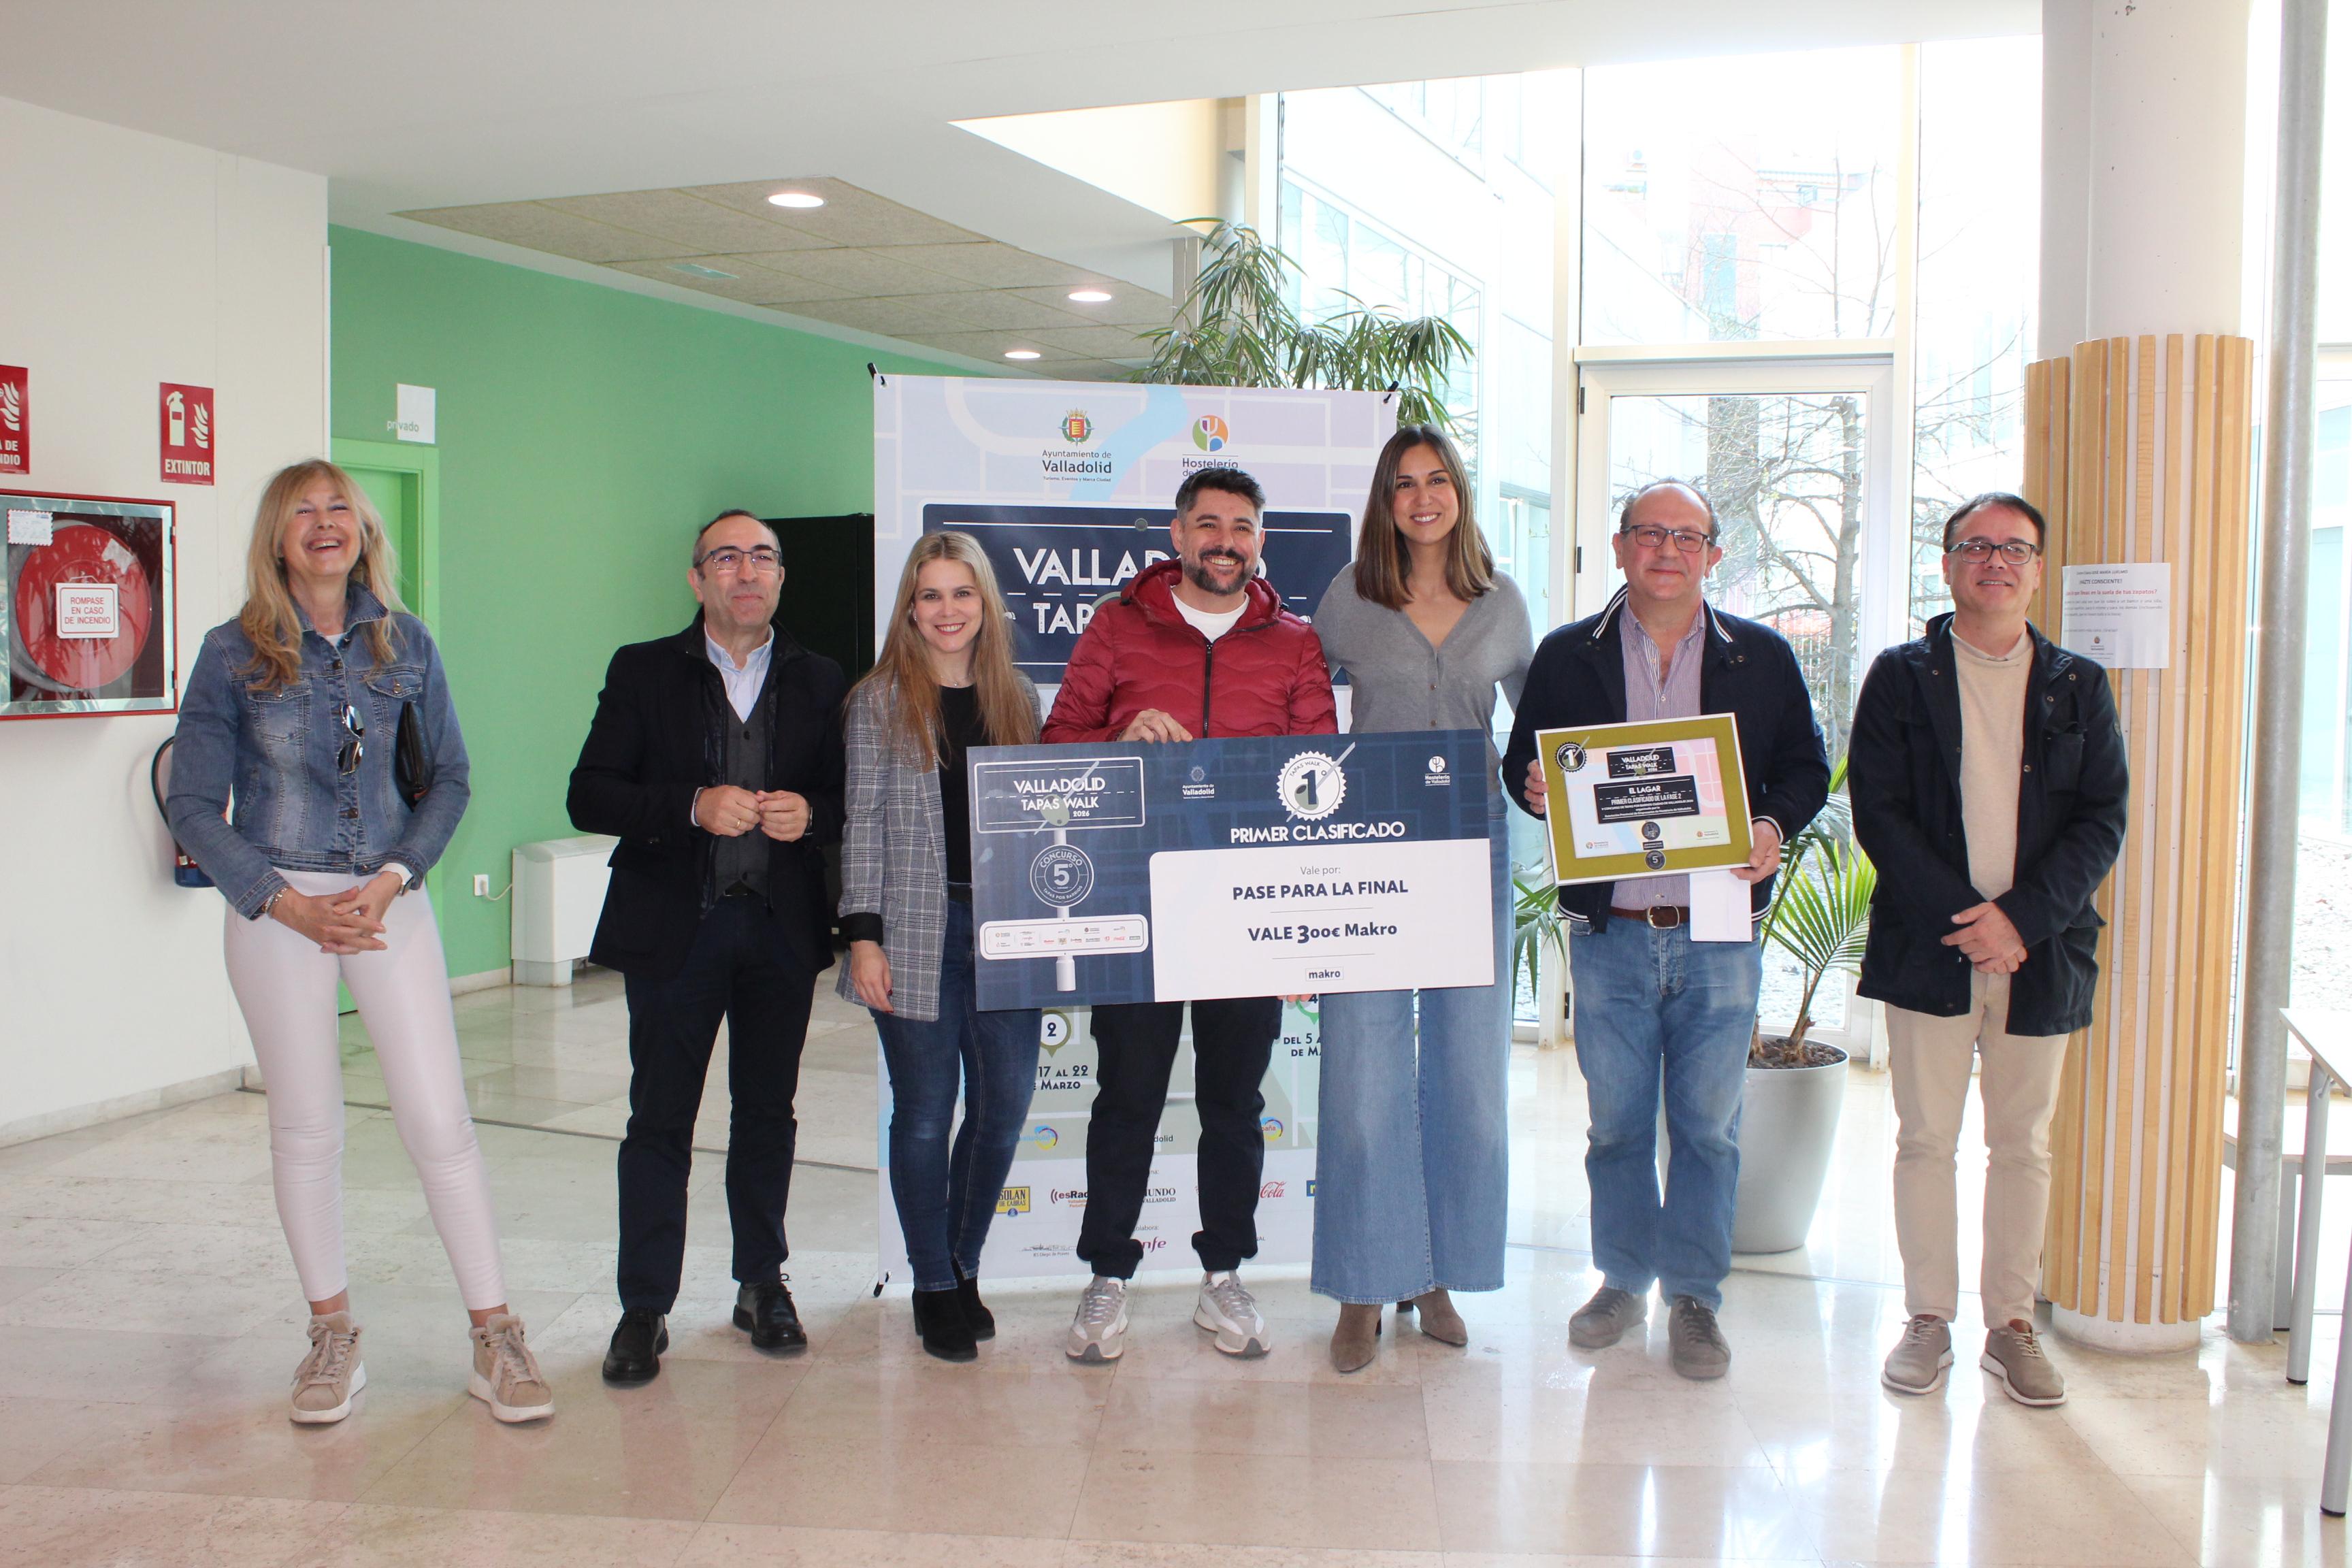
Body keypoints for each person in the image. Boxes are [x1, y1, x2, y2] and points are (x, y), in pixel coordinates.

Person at [167, 460, 552, 1426]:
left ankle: (495, 1336)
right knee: (305, 1127)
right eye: (302, 511)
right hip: (276, 911)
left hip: (388, 901)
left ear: (364, 530)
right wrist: (285, 903)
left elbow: (450, 778)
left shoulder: (405, 643)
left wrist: (392, 879)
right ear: (277, 538)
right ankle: (332, 1335)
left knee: (439, 1121)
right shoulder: (230, 653)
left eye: (339, 506)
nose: (324, 522)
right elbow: (191, 803)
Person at [1502, 479, 1829, 1380]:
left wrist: (1771, 825)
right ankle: (1621, 1279)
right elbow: (1524, 762)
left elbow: (1807, 766)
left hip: (1718, 927)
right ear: (1620, 548)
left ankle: (1693, 1296)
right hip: (1611, 930)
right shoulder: (1569, 654)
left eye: (1688, 537)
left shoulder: (1760, 655)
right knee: (1614, 1124)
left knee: (1708, 1129)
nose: (1668, 551)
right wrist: (1534, 787)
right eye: (1650, 533)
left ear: (1714, 555)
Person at [1043, 465, 1337, 1362]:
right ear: (1177, 535)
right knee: (1127, 1096)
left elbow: (1322, 769)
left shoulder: (1295, 643)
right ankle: (1107, 1275)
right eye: (1208, 524)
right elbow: (1057, 744)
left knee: (1234, 1103)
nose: (1224, 542)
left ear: (1260, 541)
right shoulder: (1118, 626)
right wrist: (1118, 737)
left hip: (1249, 911)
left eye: (1241, 527)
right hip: (1138, 902)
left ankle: (1224, 1275)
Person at [1849, 493, 2126, 1408]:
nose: (1995, 562)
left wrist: (2020, 922)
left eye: (2015, 549)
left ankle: (2011, 1326)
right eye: (1977, 546)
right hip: (1930, 943)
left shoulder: (2079, 684)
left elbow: (2102, 819)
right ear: (1947, 565)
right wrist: (1971, 920)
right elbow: (1880, 812)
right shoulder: (1901, 676)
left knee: (2023, 1143)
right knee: (1925, 1138)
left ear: (2039, 570)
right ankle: (1928, 1318)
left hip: (2040, 950)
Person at [568, 508, 846, 1384]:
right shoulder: (643, 669)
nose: (746, 572)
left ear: (782, 577)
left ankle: (762, 1284)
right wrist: (690, 805)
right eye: (726, 558)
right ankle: (644, 1306)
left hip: (779, 931)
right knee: (659, 1120)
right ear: (697, 580)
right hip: (674, 933)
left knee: (767, 1115)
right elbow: (590, 795)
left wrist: (814, 815)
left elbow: (849, 799)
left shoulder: (821, 677)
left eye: (763, 557)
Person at [1309, 425, 1531, 1371]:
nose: (1423, 497)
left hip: (1472, 852)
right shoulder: (1349, 598)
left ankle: (1434, 1272)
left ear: (1460, 492)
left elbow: (1542, 730)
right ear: (1385, 500)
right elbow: (1293, 708)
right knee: (1363, 1079)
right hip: (1367, 855)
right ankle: (1364, 1282)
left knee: (1468, 1079)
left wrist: (1559, 786)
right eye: (1404, 483)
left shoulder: (1502, 601)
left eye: (1438, 480)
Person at [840, 532, 1043, 1362]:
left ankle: (962, 1265)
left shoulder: (1018, 698)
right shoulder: (879, 700)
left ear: (986, 605)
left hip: (1007, 933)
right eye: (931, 595)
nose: (948, 610)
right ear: (910, 609)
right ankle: (932, 1284)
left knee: (1004, 1110)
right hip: (914, 930)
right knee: (926, 1115)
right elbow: (861, 826)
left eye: (963, 593)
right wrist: (863, 938)